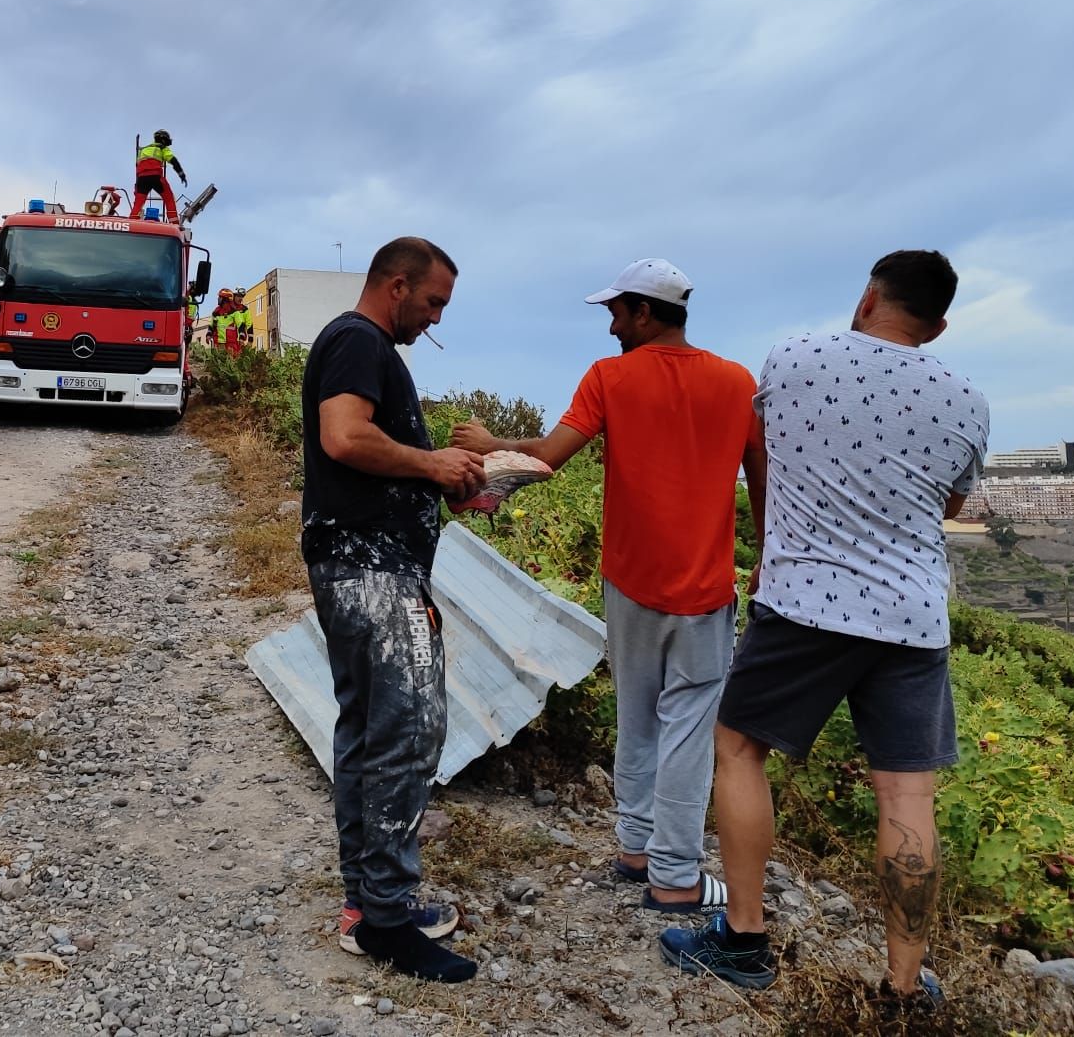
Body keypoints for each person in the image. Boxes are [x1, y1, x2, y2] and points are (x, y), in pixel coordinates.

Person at [660, 250, 989, 1007]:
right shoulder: (967, 399)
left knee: (739, 748)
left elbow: (769, 453)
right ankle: (904, 991)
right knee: (908, 797)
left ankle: (742, 941)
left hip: (805, 600)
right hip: (911, 618)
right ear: (938, 327)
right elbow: (950, 510)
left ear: (870, 295)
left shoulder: (795, 358)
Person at [452, 258, 762, 915]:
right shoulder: (738, 383)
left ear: (645, 313)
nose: (613, 326)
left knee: (638, 716)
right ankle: (676, 875)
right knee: (687, 727)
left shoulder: (610, 378)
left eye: (617, 313)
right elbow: (763, 479)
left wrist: (487, 445)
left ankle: (637, 849)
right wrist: (767, 556)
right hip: (706, 590)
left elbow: (546, 458)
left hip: (629, 583)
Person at [303, 237, 486, 983]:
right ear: (398, 285)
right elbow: (343, 438)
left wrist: (447, 479)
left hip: (361, 566)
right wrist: (431, 463)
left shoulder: (366, 348)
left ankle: (368, 903)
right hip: (371, 571)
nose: (435, 319)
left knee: (370, 729)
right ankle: (386, 920)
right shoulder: (357, 340)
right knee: (409, 733)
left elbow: (367, 451)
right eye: (433, 302)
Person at [130, 129, 187, 221]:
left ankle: (132, 222)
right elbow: (173, 161)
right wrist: (181, 174)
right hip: (155, 176)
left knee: (138, 202)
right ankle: (174, 223)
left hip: (141, 178)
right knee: (169, 198)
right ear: (163, 140)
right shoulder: (162, 148)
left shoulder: (144, 149)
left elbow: (138, 165)